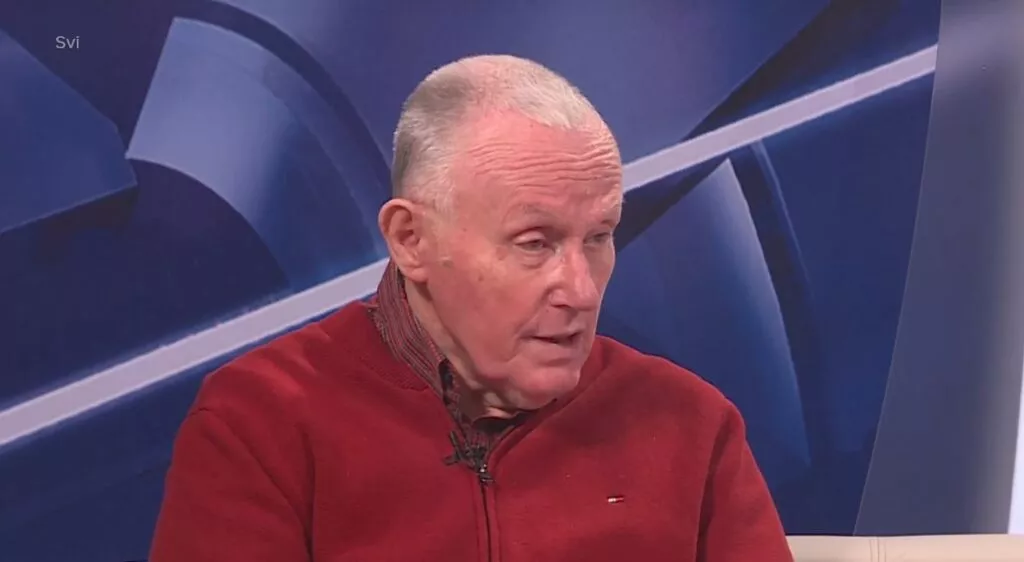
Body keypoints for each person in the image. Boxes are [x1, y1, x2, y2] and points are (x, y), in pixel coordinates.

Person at [149, 54, 793, 562]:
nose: (582, 289)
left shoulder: (689, 424)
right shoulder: (259, 425)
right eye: (535, 243)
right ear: (411, 240)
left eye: (599, 237)